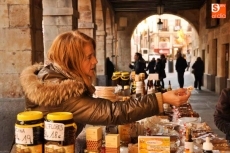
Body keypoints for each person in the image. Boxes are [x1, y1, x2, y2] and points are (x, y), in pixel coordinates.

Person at [20, 30, 190, 138]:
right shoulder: (61, 90)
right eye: (88, 57)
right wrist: (161, 99)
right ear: (71, 60)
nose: (95, 61)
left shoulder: (52, 75)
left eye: (93, 55)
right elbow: (113, 112)